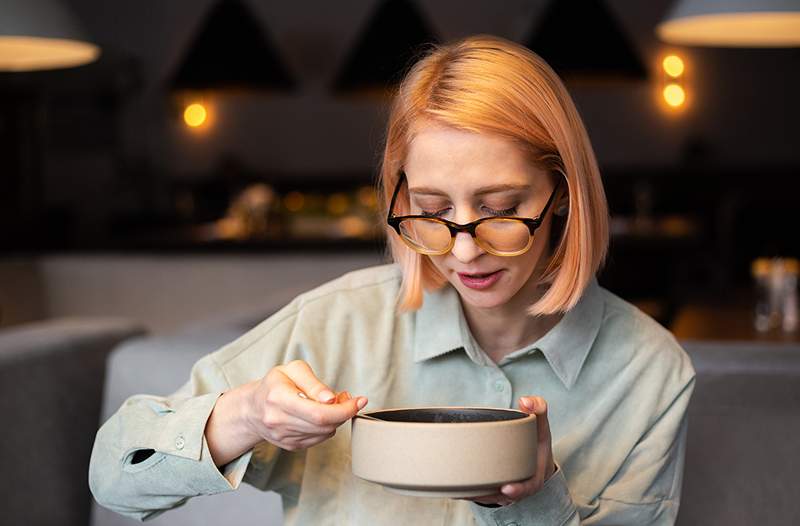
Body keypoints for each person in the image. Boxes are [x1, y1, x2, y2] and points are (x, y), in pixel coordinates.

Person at [89, 35, 695, 525]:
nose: (463, 249)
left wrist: (531, 503)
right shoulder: (335, 325)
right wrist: (244, 417)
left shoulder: (648, 373)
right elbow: (116, 475)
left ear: (562, 192)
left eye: (499, 208)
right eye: (431, 211)